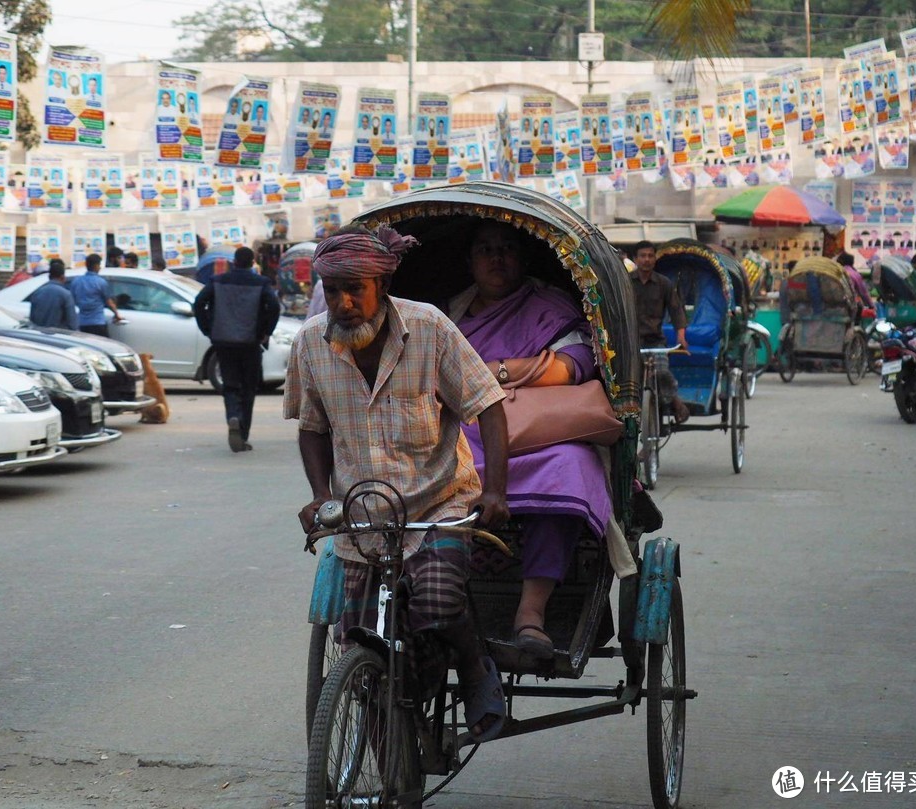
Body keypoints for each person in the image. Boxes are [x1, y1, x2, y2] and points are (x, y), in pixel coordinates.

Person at [283, 223, 510, 742]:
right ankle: (396, 714)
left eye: (354, 289)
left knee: (437, 603)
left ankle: (476, 669)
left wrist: (495, 490)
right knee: (361, 639)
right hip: (363, 517)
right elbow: (312, 428)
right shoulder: (310, 345)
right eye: (332, 290)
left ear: (380, 288)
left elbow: (489, 406)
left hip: (440, 504)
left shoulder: (428, 328)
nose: (342, 303)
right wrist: (321, 495)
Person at [448, 220, 612, 659]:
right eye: (486, 249)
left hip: (536, 437)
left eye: (506, 248)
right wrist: (523, 369)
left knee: (571, 466)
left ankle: (531, 613)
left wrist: (496, 371)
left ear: (522, 259)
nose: (496, 257)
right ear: (470, 261)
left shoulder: (547, 307)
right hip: (465, 435)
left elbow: (574, 365)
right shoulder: (449, 316)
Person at [193, 246, 279, 453]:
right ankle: (243, 433)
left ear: (235, 262)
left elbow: (199, 303)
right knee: (248, 389)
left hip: (223, 341)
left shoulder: (218, 281)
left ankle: (233, 415)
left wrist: (208, 329)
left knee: (230, 386)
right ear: (252, 263)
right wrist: (266, 331)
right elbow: (274, 307)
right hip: (250, 343)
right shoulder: (261, 283)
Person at [631, 240, 690, 423]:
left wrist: (681, 336)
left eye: (650, 256)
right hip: (632, 342)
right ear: (635, 259)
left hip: (656, 342)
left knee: (662, 373)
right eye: (642, 256)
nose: (646, 260)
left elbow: (676, 310)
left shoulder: (664, 284)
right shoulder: (625, 282)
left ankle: (675, 401)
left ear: (654, 259)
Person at [69, 253, 123, 337]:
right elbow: (109, 302)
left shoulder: (76, 282)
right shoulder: (100, 282)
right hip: (98, 322)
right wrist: (117, 314)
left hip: (82, 323)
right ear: (96, 266)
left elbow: (72, 300)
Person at [28, 259, 77, 330]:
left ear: (49, 277)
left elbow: (32, 318)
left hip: (39, 336)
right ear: (63, 277)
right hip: (58, 336)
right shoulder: (66, 294)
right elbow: (72, 322)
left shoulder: (37, 293)